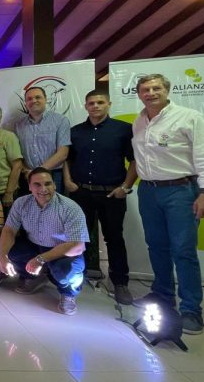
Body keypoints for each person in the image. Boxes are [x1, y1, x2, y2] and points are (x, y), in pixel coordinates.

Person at [131, 74, 204, 334]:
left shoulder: (189, 118)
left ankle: (191, 310)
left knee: (183, 250)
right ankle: (162, 295)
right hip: (148, 191)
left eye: (156, 88)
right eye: (145, 89)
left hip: (181, 191)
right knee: (156, 246)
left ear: (167, 90)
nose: (150, 93)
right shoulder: (139, 121)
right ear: (139, 94)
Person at [62, 90, 137, 304]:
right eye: (91, 103)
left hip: (112, 193)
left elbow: (134, 160)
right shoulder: (75, 132)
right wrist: (68, 181)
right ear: (85, 106)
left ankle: (120, 282)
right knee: (78, 237)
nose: (95, 106)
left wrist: (126, 187)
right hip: (81, 192)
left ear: (108, 104)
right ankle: (76, 276)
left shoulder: (124, 129)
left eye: (100, 102)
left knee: (114, 237)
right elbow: (67, 159)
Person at [0, 167, 88, 315]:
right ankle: (36, 277)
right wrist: (3, 256)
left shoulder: (70, 207)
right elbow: (9, 231)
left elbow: (78, 246)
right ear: (29, 187)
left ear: (55, 185)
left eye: (47, 183)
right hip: (34, 245)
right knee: (3, 252)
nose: (43, 189)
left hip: (62, 251)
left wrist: (40, 259)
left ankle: (68, 293)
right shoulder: (21, 203)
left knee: (67, 271)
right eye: (37, 184)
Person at [13, 86, 71, 191]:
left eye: (38, 97)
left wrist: (38, 171)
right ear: (25, 103)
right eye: (29, 99)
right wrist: (26, 170)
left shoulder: (61, 121)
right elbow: (18, 154)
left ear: (46, 99)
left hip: (53, 175)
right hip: (27, 175)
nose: (33, 101)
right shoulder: (18, 125)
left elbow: (63, 153)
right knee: (28, 202)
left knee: (54, 202)